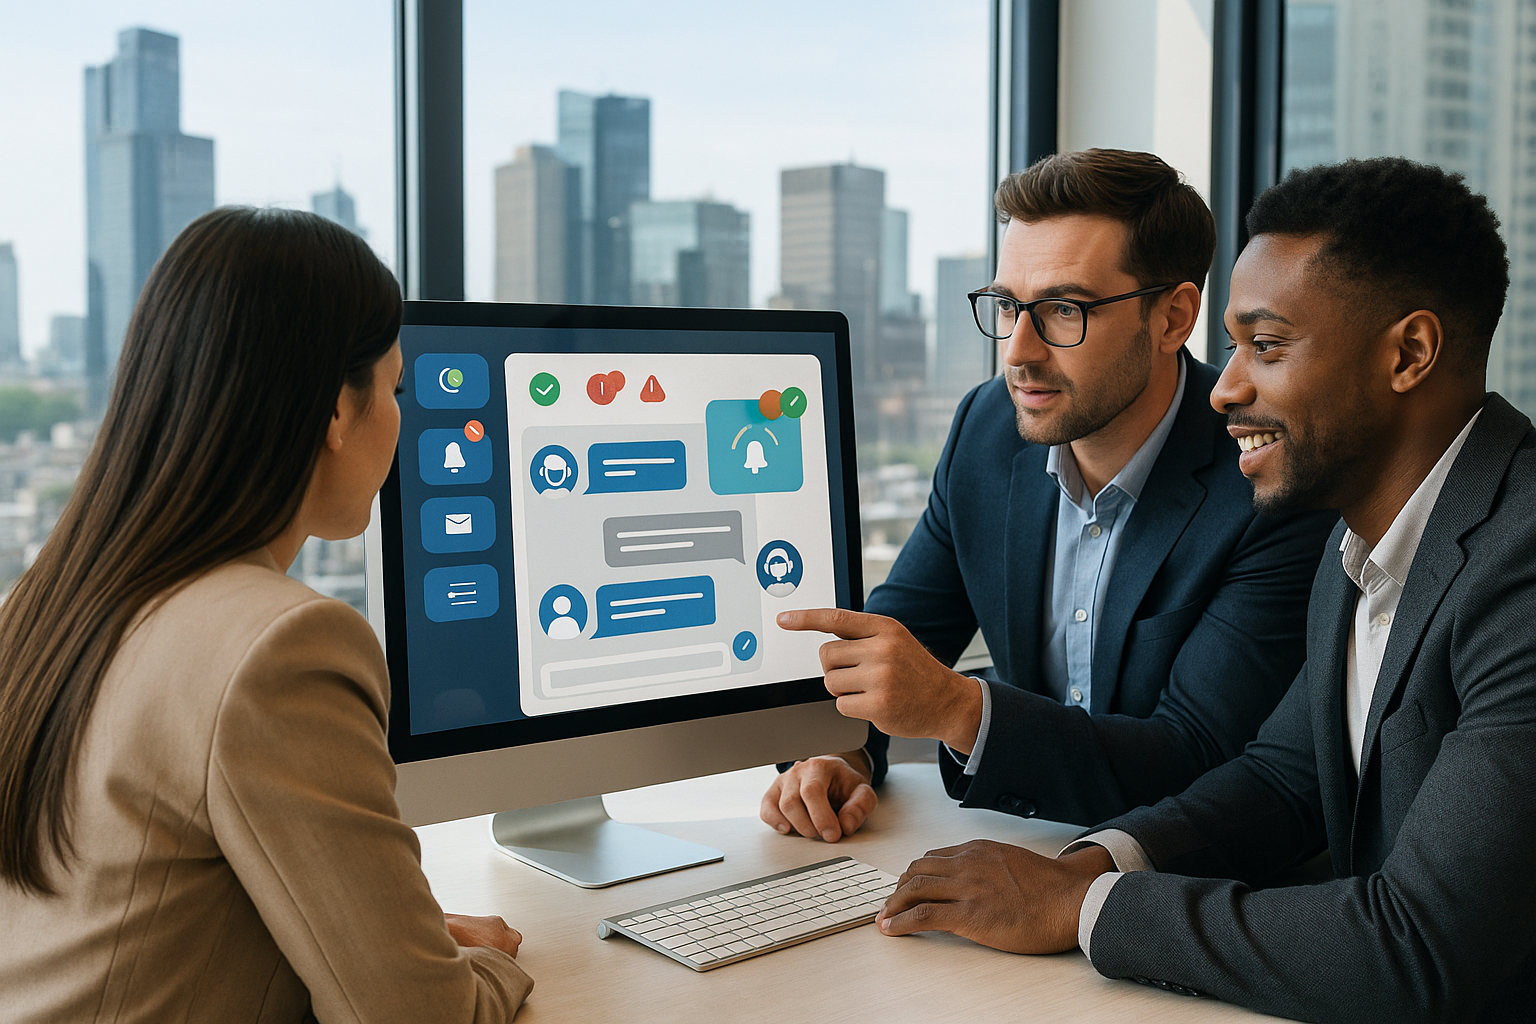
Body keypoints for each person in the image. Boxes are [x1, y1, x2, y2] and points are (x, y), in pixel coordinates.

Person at [876, 157, 1536, 1022]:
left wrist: (1082, 911)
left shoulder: (1517, 563)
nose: (1223, 387)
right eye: (1232, 345)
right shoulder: (1363, 537)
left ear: (1408, 353)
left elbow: (1416, 947)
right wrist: (1086, 868)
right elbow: (1280, 780)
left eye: (1266, 347)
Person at [0, 208, 534, 1022]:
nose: (400, 418)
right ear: (332, 411)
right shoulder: (283, 644)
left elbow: (155, 899)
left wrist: (388, 938)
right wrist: (476, 971)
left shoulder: (48, 606)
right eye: (394, 387)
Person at [763, 149, 1337, 841]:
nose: (1017, 351)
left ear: (1173, 319)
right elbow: (899, 636)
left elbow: (1200, 762)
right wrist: (841, 751)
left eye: (1065, 308)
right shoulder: (987, 429)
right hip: (1021, 847)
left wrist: (960, 710)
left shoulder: (1267, 476)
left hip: (1174, 890)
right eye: (1008, 305)